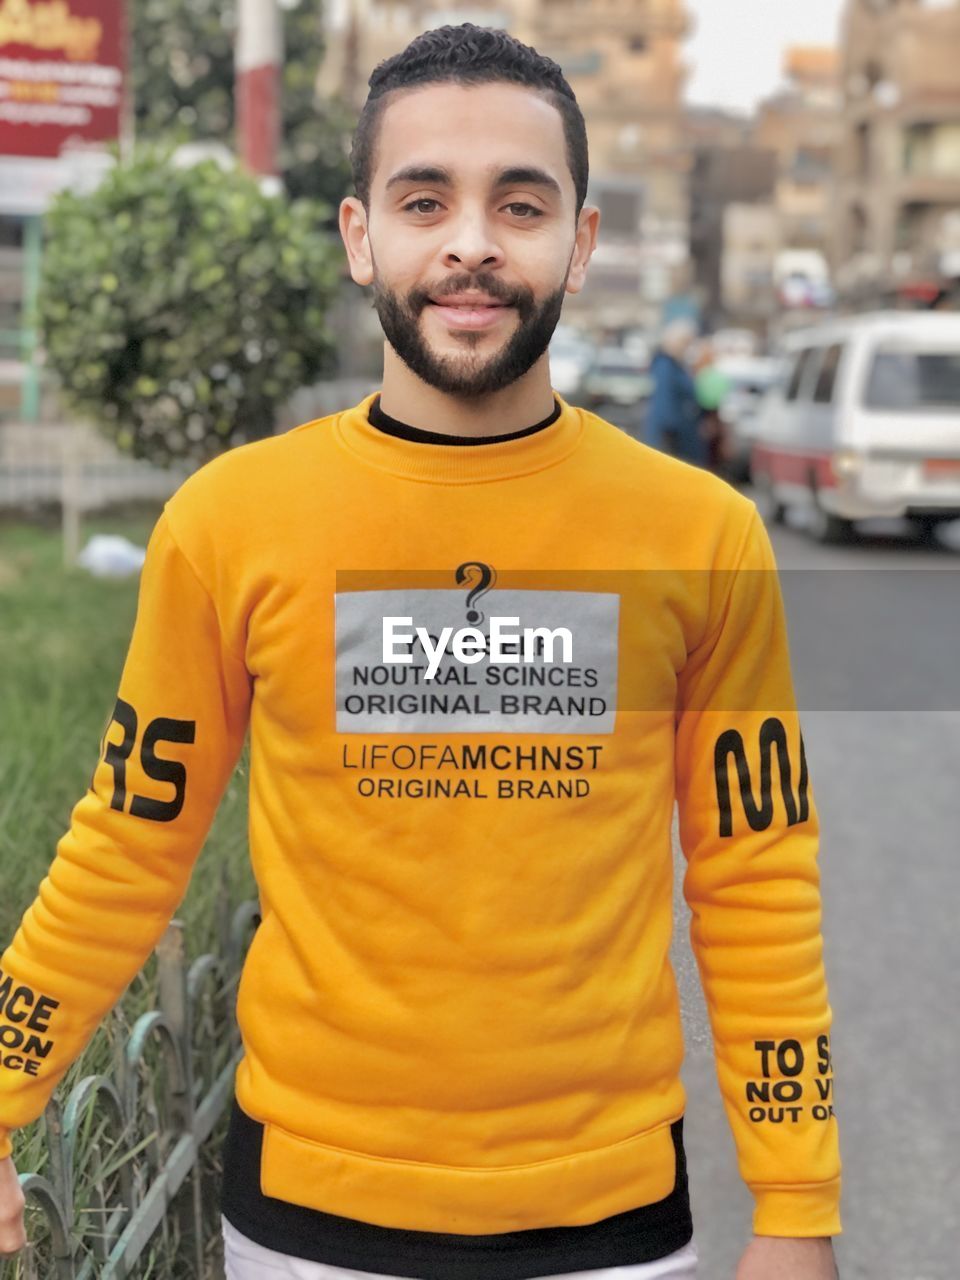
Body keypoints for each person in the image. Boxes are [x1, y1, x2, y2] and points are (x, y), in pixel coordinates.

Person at [0, 24, 841, 1280]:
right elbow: (130, 834)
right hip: (306, 1215)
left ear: (582, 239)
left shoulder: (701, 531)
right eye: (424, 199)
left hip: (609, 1217)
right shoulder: (229, 523)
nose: (471, 243)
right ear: (359, 235)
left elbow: (756, 867)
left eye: (520, 202)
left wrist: (795, 1203)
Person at [645, 321, 705, 466]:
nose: (689, 348)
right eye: (686, 343)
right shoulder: (666, 365)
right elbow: (664, 400)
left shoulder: (677, 366)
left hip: (680, 434)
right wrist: (669, 430)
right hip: (672, 436)